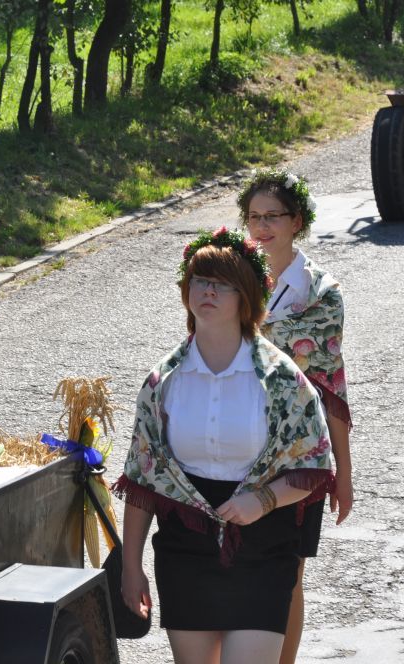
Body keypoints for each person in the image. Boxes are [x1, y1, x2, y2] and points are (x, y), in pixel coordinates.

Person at [113, 227, 334, 664]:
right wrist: (130, 566)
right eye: (199, 281)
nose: (207, 292)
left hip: (264, 548)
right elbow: (143, 480)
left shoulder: (284, 381)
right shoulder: (162, 382)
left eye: (221, 284)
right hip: (185, 551)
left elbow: (314, 465)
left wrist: (264, 500)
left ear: (245, 298)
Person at [239, 170, 354, 664]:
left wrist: (342, 474)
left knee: (287, 576)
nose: (261, 228)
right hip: (230, 449)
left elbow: (329, 388)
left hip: (296, 455)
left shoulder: (321, 293)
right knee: (229, 573)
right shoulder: (231, 276)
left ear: (296, 222)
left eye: (272, 217)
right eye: (253, 217)